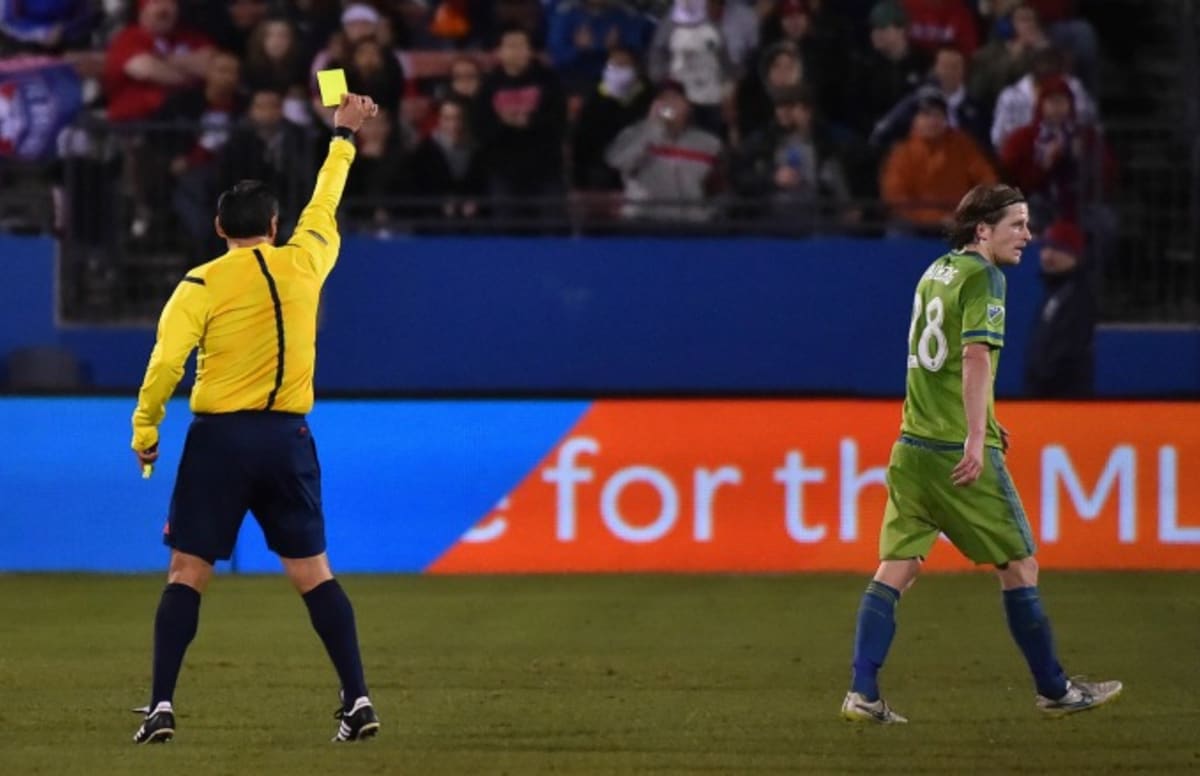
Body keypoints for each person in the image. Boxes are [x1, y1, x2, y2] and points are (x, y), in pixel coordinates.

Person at [129, 92, 382, 745]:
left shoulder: (200, 285)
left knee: (188, 573)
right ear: (274, 225)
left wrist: (146, 430)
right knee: (314, 572)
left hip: (219, 441)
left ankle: (161, 706)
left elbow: (165, 365)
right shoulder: (305, 264)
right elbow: (324, 202)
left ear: (219, 229)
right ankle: (357, 701)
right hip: (287, 438)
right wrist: (343, 136)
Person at [839, 183, 1122, 724]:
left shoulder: (937, 270)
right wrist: (975, 436)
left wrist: (986, 421)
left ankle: (863, 691)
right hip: (955, 454)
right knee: (1019, 565)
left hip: (912, 444)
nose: (1028, 236)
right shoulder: (984, 277)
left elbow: (937, 361)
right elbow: (972, 358)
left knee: (896, 567)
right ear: (983, 230)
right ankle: (1055, 689)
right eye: (1017, 224)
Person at [1025, 218, 1095, 397]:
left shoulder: (1078, 296)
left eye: (1057, 249)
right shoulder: (1055, 292)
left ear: (1075, 255)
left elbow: (1069, 351)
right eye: (1045, 248)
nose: (1048, 255)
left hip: (1064, 399)